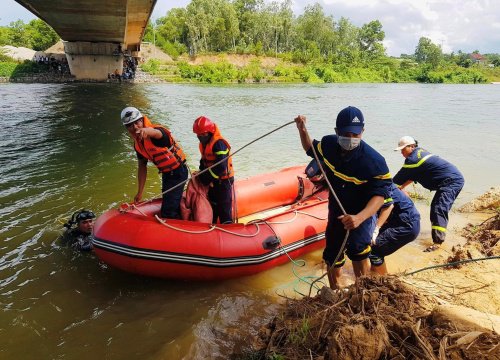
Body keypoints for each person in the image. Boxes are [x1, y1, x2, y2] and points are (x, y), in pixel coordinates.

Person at [294, 106, 392, 289]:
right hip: (337, 210)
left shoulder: (374, 161)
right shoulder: (329, 144)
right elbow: (310, 148)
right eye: (347, 133)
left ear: (362, 132)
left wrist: (360, 217)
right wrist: (302, 130)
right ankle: (335, 290)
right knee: (332, 252)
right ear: (336, 132)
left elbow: (380, 196)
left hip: (362, 213)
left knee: (358, 250)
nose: (352, 138)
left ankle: (362, 292)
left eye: (356, 134)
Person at [393, 136, 464, 252]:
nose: (401, 152)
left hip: (451, 182)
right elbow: (412, 175)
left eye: (403, 149)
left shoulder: (412, 160)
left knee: (438, 208)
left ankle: (437, 243)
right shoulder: (419, 153)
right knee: (438, 208)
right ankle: (438, 237)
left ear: (411, 146)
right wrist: (402, 187)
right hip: (452, 179)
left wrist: (394, 188)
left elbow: (394, 183)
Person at [121, 106, 188, 219]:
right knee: (168, 202)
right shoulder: (138, 145)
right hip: (167, 175)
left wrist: (146, 131)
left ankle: (176, 226)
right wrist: (140, 192)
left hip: (178, 172)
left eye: (137, 122)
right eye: (130, 125)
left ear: (142, 120)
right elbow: (142, 167)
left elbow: (158, 133)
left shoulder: (156, 133)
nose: (134, 127)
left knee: (168, 212)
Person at [369, 183, 421, 274]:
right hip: (402, 220)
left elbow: (389, 206)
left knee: (374, 249)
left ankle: (382, 280)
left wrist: (376, 229)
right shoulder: (383, 180)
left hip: (406, 225)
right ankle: (374, 274)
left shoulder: (378, 184)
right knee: (367, 244)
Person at [193, 116, 235, 224]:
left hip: (223, 181)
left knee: (224, 208)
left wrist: (206, 178)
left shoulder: (219, 144)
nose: (200, 137)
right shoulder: (204, 144)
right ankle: (213, 228)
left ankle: (228, 226)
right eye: (198, 135)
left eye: (203, 135)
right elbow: (204, 162)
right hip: (213, 181)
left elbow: (221, 166)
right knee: (214, 206)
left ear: (210, 132)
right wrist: (201, 174)